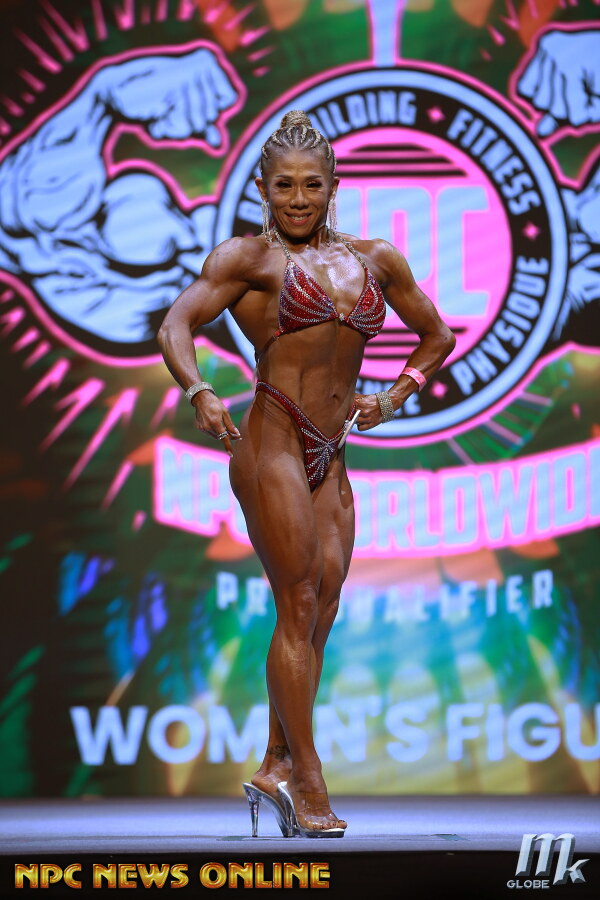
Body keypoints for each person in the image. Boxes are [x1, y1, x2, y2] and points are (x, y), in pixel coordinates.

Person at [157, 110, 455, 837]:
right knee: (296, 598)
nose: (297, 198)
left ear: (333, 186)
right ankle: (309, 780)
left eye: (311, 185)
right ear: (263, 188)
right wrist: (199, 390)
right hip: (272, 443)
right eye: (284, 185)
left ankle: (274, 763)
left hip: (332, 450)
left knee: (322, 606)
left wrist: (395, 395)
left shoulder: (376, 259)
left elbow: (437, 335)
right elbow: (175, 325)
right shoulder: (247, 260)